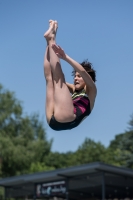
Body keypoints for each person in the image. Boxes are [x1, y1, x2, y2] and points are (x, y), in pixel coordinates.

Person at [43, 20, 97, 131]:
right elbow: (53, 75)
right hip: (52, 120)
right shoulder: (74, 89)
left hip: (66, 119)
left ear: (88, 79)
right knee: (51, 80)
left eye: (79, 77)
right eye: (75, 76)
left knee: (59, 80)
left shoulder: (91, 90)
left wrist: (65, 57)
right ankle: (49, 41)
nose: (75, 78)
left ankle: (52, 38)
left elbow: (82, 71)